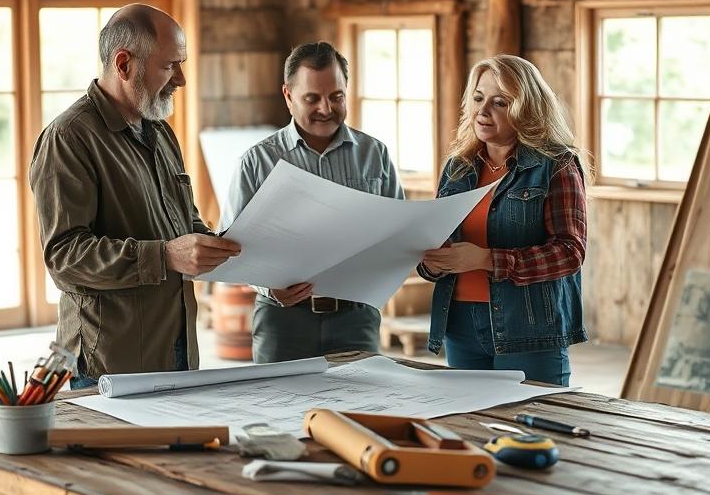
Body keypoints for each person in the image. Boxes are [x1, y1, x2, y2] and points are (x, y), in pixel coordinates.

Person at [30, 4, 240, 495]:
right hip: (110, 358)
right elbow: (63, 256)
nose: (183, 79)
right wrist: (165, 255)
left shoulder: (160, 132)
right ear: (125, 63)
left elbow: (186, 227)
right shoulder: (69, 139)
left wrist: (247, 257)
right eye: (173, 66)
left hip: (177, 347)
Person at [221, 41, 403, 363]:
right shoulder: (256, 162)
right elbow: (230, 246)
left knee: (360, 410)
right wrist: (268, 288)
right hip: (283, 319)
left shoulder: (375, 155)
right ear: (289, 96)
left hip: (356, 317)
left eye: (336, 96)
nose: (326, 108)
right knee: (281, 411)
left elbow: (398, 233)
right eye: (312, 98)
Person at [418, 54, 588, 386]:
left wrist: (485, 259)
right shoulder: (458, 167)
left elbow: (570, 252)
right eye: (478, 98)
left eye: (500, 102)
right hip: (460, 325)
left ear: (526, 108)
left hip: (529, 325)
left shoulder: (557, 165)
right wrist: (433, 263)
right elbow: (436, 245)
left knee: (534, 428)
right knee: (471, 428)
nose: (483, 111)